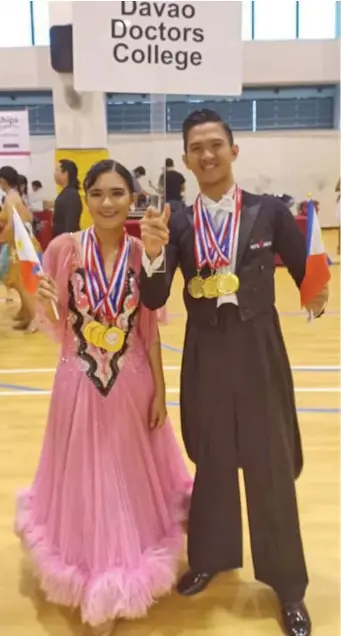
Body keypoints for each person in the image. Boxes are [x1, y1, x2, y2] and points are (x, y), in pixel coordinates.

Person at [138, 109, 329, 636]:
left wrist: (318, 284)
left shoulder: (269, 212)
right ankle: (210, 558)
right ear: (186, 158)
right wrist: (152, 255)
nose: (207, 154)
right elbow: (154, 297)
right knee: (214, 462)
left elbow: (308, 266)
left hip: (259, 349)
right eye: (196, 147)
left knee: (269, 467)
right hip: (204, 352)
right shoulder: (174, 220)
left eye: (216, 144)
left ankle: (288, 587)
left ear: (233, 150)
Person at [14, 159, 192, 636]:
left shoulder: (142, 250)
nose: (107, 203)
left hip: (132, 381)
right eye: (98, 194)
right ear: (85, 197)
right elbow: (54, 323)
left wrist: (161, 391)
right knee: (86, 480)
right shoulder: (62, 248)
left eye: (117, 194)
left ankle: (126, 569)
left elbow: (150, 329)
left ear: (132, 199)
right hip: (78, 381)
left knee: (129, 478)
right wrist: (45, 297)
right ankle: (95, 581)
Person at [0, 166, 41, 332]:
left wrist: (2, 239)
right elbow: (29, 217)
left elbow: (11, 225)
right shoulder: (17, 196)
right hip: (23, 242)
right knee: (19, 280)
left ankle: (35, 318)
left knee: (24, 282)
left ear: (3, 181)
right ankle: (26, 315)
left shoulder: (10, 199)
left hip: (20, 244)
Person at [53, 159, 83, 237]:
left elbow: (71, 224)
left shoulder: (71, 195)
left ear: (65, 174)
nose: (54, 174)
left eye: (57, 170)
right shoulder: (66, 193)